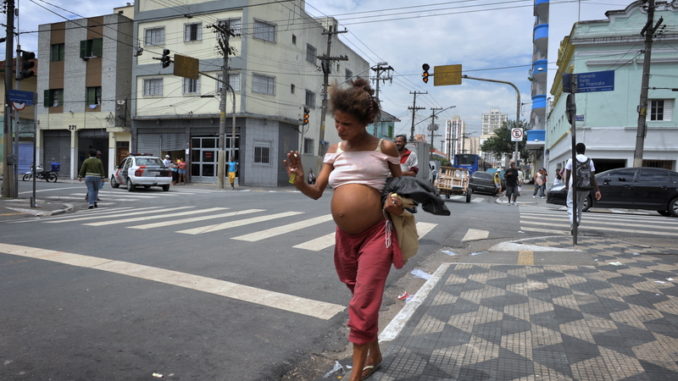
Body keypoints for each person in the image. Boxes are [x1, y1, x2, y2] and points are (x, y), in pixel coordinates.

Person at [284, 78, 403, 381]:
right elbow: (316, 191)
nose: (340, 129)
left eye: (346, 124)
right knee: (359, 297)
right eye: (337, 122)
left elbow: (402, 189)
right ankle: (374, 354)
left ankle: (354, 374)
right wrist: (298, 179)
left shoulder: (384, 147)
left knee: (363, 302)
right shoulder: (334, 150)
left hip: (377, 233)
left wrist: (396, 202)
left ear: (364, 122)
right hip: (345, 239)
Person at [565, 143, 602, 231]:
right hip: (585, 187)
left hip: (573, 187)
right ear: (584, 150)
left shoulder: (571, 160)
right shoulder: (590, 161)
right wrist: (597, 190)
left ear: (576, 150)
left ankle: (574, 220)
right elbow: (593, 177)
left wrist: (566, 185)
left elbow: (567, 175)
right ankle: (575, 225)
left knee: (570, 204)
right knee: (580, 205)